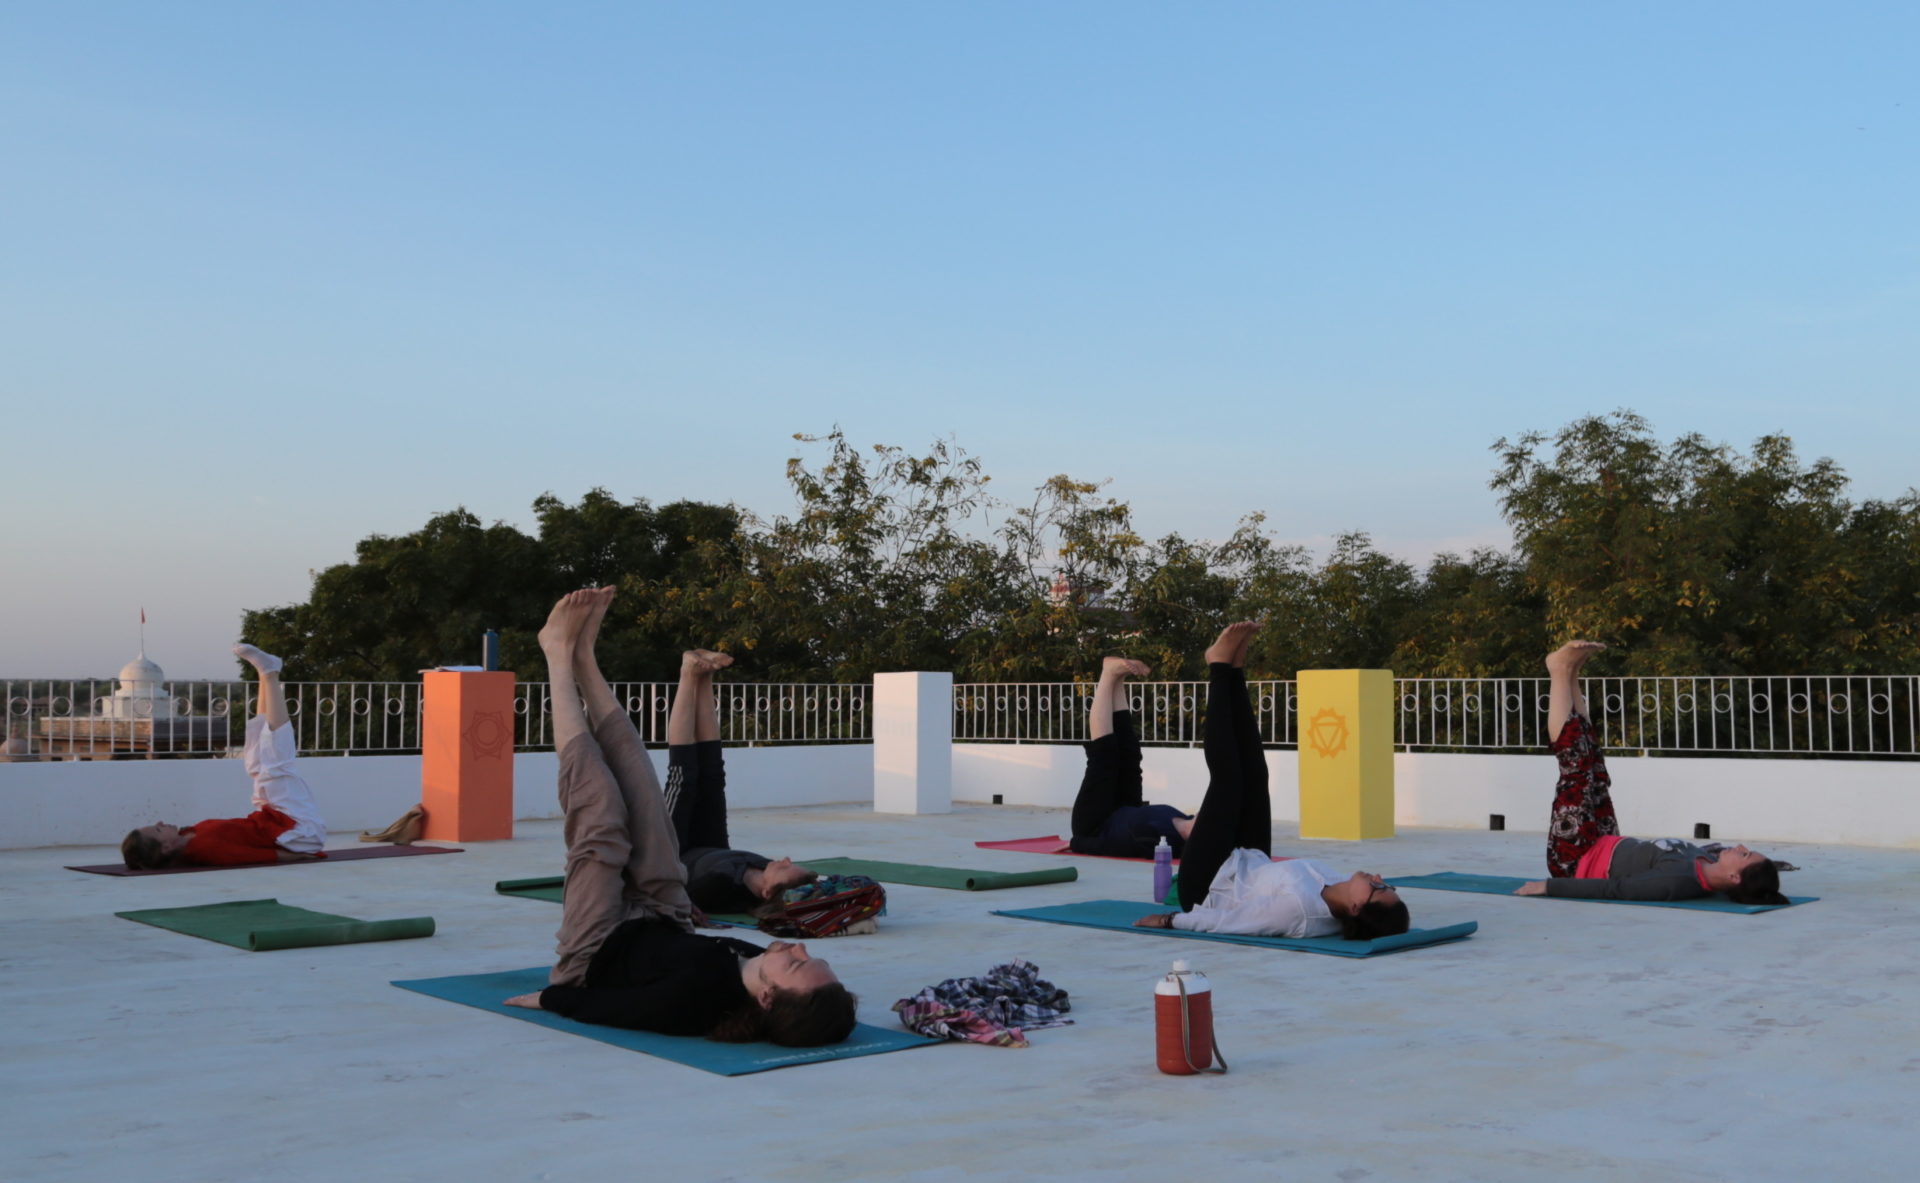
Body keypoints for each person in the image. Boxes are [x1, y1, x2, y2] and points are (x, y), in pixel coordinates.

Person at [503, 588, 858, 1046]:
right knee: (642, 784)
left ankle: (556, 652)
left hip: (599, 943)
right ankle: (584, 656)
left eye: (795, 963)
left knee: (601, 816)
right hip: (664, 913)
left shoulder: (692, 1006)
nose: (800, 949)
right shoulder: (754, 966)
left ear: (767, 997)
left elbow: (616, 1009)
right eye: (812, 957)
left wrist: (553, 998)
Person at [1133, 623, 1412, 941]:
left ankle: (1219, 666)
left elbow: (1229, 922)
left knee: (1228, 780)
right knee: (1255, 775)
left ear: (1356, 906)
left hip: (1209, 883)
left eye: (1379, 887)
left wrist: (1169, 920)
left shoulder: (1296, 913)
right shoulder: (1339, 887)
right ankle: (1234, 669)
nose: (1379, 877)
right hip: (1251, 863)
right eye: (1386, 884)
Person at [1513, 641, 1788, 905]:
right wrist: (1767, 877)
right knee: (1594, 765)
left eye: (1745, 855)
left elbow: (1617, 889)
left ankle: (1559, 669)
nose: (1741, 847)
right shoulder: (1707, 862)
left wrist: (1550, 887)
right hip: (1604, 841)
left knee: (1576, 766)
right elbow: (1737, 869)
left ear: (1733, 877)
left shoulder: (1676, 883)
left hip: (1577, 858)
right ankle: (1572, 672)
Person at [120, 645, 327, 869]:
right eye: (158, 829)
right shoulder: (204, 849)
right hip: (298, 832)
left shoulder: (188, 835)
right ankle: (270, 673)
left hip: (274, 821)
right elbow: (247, 855)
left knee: (256, 759)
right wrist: (299, 856)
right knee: (276, 763)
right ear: (166, 847)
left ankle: (266, 672)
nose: (161, 822)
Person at [663, 647, 817, 915]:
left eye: (786, 868)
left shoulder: (720, 889)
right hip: (713, 845)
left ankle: (687, 674)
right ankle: (705, 676)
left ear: (767, 893)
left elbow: (673, 894)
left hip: (671, 853)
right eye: (790, 863)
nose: (785, 860)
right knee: (713, 772)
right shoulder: (764, 869)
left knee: (683, 775)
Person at [1068, 657, 1194, 859]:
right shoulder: (1184, 818)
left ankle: (1108, 675)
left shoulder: (1162, 844)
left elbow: (1110, 846)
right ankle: (1118, 678)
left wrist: (1078, 843)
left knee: (1105, 754)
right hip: (1126, 807)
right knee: (1130, 750)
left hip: (1096, 825)